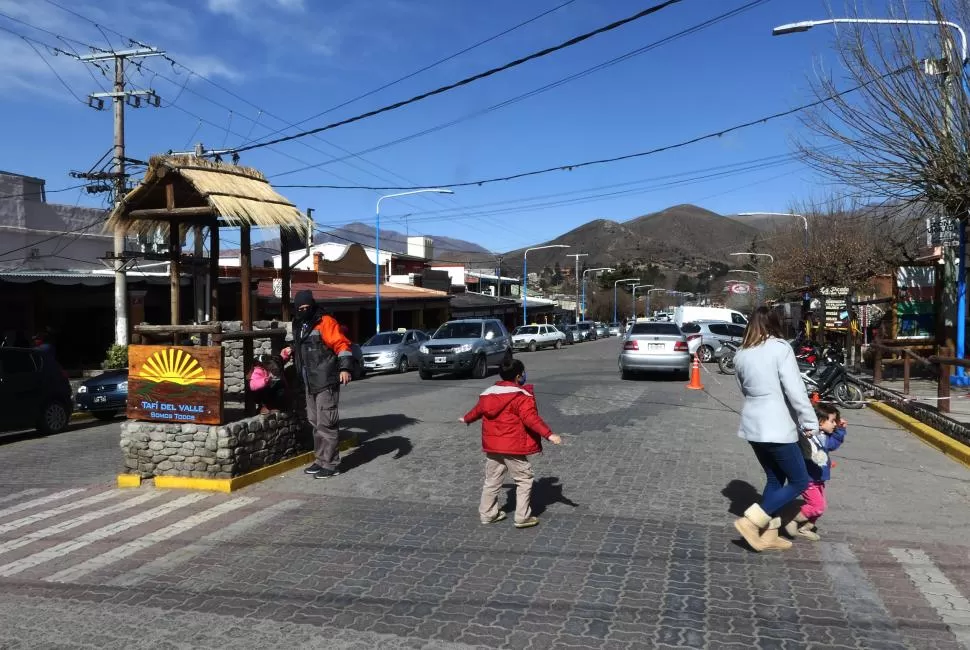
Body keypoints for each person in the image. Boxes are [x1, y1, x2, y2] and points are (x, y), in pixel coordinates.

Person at [732, 306, 818, 552]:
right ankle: (751, 522)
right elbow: (795, 389)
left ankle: (768, 533)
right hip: (777, 426)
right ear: (774, 323)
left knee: (775, 479)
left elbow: (743, 389)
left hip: (752, 425)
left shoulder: (741, 354)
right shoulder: (780, 348)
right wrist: (810, 421)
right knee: (800, 480)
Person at [460, 358, 562, 529]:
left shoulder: (488, 392)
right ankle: (522, 517)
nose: (524, 376)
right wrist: (549, 435)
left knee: (492, 480)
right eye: (522, 373)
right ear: (518, 376)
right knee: (524, 479)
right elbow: (530, 419)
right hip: (513, 446)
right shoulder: (521, 396)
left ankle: (487, 514)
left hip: (493, 446)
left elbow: (477, 410)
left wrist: (466, 418)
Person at [283, 290, 354, 479]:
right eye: (300, 308)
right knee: (315, 423)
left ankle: (331, 464)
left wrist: (345, 369)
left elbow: (342, 345)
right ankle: (321, 459)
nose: (304, 310)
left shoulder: (326, 322)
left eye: (307, 307)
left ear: (312, 305)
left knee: (327, 423)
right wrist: (291, 349)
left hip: (325, 380)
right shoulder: (299, 323)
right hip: (309, 381)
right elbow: (303, 346)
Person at [785, 404, 847, 541]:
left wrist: (840, 429)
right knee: (817, 506)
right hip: (807, 478)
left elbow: (834, 444)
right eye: (832, 421)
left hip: (819, 478)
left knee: (821, 506)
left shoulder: (824, 436)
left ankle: (805, 528)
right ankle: (792, 519)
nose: (834, 425)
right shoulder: (807, 436)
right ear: (820, 422)